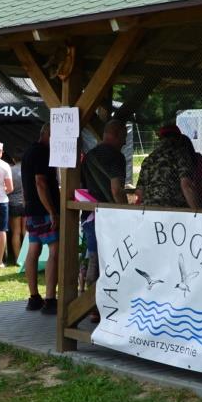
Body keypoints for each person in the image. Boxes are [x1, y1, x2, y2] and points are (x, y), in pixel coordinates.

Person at [81, 120, 129, 320]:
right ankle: (102, 307)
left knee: (93, 259)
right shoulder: (115, 156)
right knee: (109, 262)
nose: (125, 142)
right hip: (109, 217)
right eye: (124, 137)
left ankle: (90, 308)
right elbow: (116, 189)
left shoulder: (89, 156)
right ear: (116, 134)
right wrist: (126, 212)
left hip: (90, 215)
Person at [21, 124, 61, 314]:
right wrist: (52, 211)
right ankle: (50, 299)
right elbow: (40, 182)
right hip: (44, 209)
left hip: (31, 209)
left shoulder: (29, 151)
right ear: (47, 134)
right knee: (55, 250)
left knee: (33, 250)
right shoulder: (43, 152)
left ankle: (34, 298)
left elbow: (28, 183)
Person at [135, 125, 200, 209]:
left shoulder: (148, 159)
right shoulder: (181, 155)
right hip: (173, 209)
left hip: (149, 209)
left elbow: (139, 192)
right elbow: (186, 186)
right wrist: (198, 211)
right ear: (179, 138)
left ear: (160, 139)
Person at [8, 154, 25, 265]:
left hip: (14, 203)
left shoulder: (11, 170)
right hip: (26, 203)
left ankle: (17, 258)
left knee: (16, 232)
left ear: (14, 159)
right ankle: (28, 257)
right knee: (26, 232)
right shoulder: (28, 169)